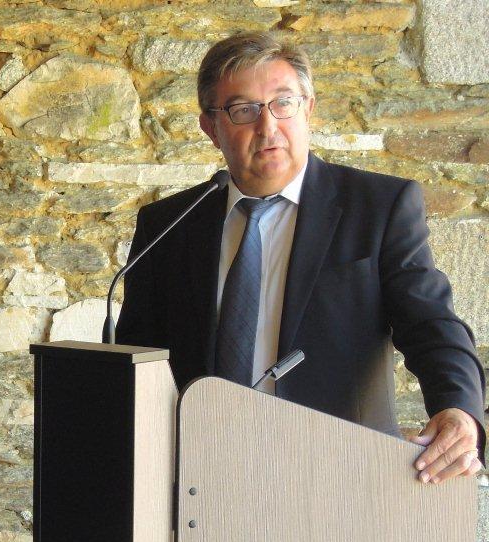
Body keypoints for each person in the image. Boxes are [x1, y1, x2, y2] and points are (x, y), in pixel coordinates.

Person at [116, 31, 485, 483]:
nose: (267, 126)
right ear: (211, 128)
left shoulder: (378, 206)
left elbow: (430, 322)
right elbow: (139, 357)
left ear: (307, 109)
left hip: (335, 475)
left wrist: (459, 408)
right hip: (199, 475)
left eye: (282, 103)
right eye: (243, 109)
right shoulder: (169, 224)